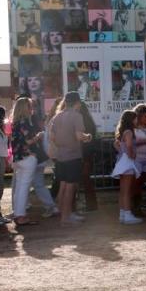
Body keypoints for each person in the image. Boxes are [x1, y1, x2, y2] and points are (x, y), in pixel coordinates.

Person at [49, 93, 93, 226]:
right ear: (77, 102)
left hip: (61, 155)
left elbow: (52, 138)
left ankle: (63, 216)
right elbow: (79, 136)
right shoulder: (77, 116)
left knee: (62, 186)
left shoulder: (57, 116)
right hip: (73, 155)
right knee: (70, 187)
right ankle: (66, 218)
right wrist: (88, 136)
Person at [9, 98, 52, 226]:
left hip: (18, 158)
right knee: (23, 188)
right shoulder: (25, 122)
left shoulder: (15, 122)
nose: (31, 108)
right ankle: (21, 216)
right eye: (30, 106)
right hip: (27, 158)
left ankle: (18, 214)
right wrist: (38, 136)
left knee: (19, 189)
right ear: (25, 107)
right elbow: (28, 141)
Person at [110, 110, 143, 224]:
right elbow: (129, 146)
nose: (137, 120)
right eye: (135, 118)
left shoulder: (124, 131)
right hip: (128, 162)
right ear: (131, 119)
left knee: (123, 190)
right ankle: (128, 214)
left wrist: (123, 152)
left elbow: (116, 144)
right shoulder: (129, 132)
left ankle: (123, 214)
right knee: (127, 191)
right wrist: (131, 154)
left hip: (122, 161)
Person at [130, 103, 146, 216]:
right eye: (144, 116)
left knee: (140, 184)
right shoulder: (133, 128)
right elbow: (131, 143)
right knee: (135, 184)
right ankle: (132, 208)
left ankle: (137, 208)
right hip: (137, 158)